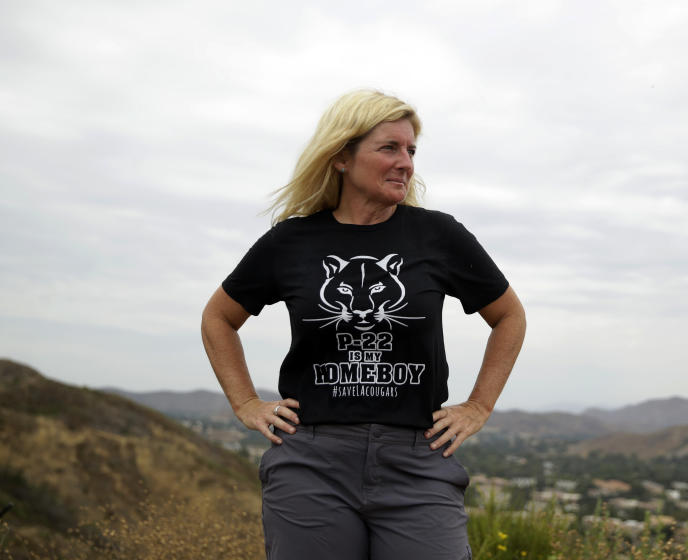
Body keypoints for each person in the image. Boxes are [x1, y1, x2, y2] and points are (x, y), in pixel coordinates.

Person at [201, 89, 525, 560]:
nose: (406, 163)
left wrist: (478, 406)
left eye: (411, 150)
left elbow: (509, 316)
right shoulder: (293, 240)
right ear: (341, 158)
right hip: (312, 463)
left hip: (417, 461)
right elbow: (219, 317)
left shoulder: (437, 235)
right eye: (389, 148)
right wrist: (246, 402)